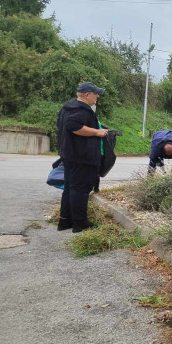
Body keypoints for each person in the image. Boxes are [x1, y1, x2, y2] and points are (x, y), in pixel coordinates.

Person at [56, 82, 109, 233]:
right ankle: (80, 224)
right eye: (95, 93)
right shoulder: (82, 110)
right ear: (86, 95)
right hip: (82, 157)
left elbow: (62, 125)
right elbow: (73, 125)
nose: (97, 96)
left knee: (70, 188)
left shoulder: (68, 107)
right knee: (80, 189)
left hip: (69, 155)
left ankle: (65, 221)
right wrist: (97, 132)